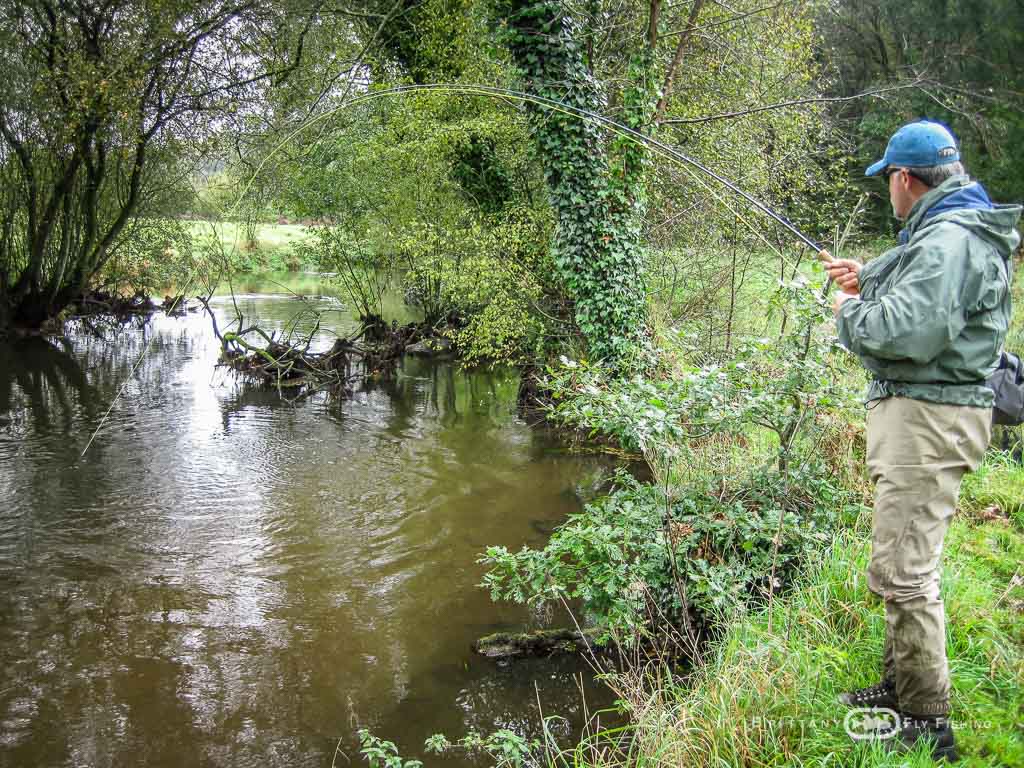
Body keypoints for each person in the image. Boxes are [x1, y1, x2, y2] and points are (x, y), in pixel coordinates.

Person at [819, 119, 1022, 762]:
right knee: (902, 558)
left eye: (889, 182)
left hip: (930, 423)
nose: (889, 194)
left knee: (903, 573)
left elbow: (909, 334)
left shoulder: (950, 239)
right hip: (929, 420)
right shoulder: (947, 227)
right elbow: (923, 280)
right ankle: (899, 685)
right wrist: (867, 274)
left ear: (904, 179)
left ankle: (928, 721)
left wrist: (850, 313)